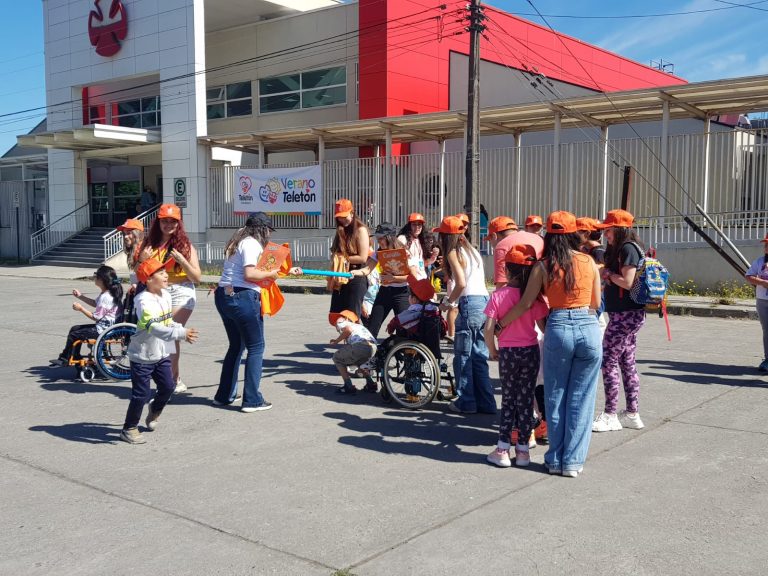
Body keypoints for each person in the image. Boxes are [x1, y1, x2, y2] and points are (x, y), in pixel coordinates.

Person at [498, 211, 602, 477]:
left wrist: (500, 325)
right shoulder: (588, 262)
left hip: (558, 327)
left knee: (555, 396)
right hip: (588, 326)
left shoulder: (543, 266)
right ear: (573, 235)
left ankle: (555, 459)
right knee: (581, 397)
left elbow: (525, 303)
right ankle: (573, 463)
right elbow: (596, 303)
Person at [214, 213, 301, 411]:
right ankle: (252, 400)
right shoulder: (252, 243)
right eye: (268, 231)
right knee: (256, 347)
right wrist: (273, 273)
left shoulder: (237, 240)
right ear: (262, 229)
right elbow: (251, 274)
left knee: (236, 346)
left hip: (224, 295)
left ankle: (224, 395)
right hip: (243, 298)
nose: (269, 235)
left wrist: (282, 271)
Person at [121, 258, 198, 444]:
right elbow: (154, 327)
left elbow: (167, 321)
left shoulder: (165, 295)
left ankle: (155, 409)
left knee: (168, 386)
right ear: (148, 279)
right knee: (141, 394)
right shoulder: (143, 301)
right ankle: (129, 428)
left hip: (161, 353)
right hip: (142, 356)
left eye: (165, 271)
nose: (166, 275)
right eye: (161, 272)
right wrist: (180, 333)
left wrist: (179, 329)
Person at [484, 245, 549, 467]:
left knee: (508, 400)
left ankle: (503, 448)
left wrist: (492, 349)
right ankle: (523, 452)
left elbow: (488, 328)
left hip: (508, 353)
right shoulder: (535, 299)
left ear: (508, 271)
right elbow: (543, 326)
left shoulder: (498, 296)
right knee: (525, 400)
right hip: (530, 351)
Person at [593, 209, 647, 433]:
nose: (606, 233)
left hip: (626, 315)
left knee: (608, 360)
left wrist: (607, 275)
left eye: (609, 229)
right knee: (626, 362)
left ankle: (610, 414)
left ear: (619, 228)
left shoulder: (627, 249)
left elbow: (627, 281)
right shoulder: (627, 248)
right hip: (627, 314)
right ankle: (632, 413)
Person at [138, 204, 201, 393]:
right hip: (160, 291)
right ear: (158, 222)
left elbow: (197, 278)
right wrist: (142, 260)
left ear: (178, 223)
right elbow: (140, 273)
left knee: (169, 333)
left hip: (182, 290)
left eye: (173, 221)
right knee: (164, 336)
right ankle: (173, 379)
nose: (168, 225)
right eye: (164, 221)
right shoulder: (150, 244)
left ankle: (172, 381)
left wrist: (182, 260)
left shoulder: (186, 246)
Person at [436, 215, 496, 415]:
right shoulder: (472, 251)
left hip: (469, 304)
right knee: (479, 356)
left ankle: (467, 402)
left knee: (463, 356)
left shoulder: (454, 252)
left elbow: (460, 282)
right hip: (484, 303)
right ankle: (486, 403)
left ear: (446, 236)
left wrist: (449, 301)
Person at [351, 222, 419, 339]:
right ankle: (369, 353)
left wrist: (394, 278)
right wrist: (353, 273)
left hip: (402, 293)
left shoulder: (404, 252)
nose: (379, 241)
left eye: (381, 238)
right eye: (378, 238)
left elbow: (413, 277)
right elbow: (367, 269)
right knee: (372, 327)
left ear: (390, 237)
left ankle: (402, 354)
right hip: (385, 292)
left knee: (403, 329)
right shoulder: (378, 253)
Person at [50, 265, 123, 366]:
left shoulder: (106, 297)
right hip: (106, 327)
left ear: (102, 280)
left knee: (74, 334)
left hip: (104, 330)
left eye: (96, 276)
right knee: (75, 329)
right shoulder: (107, 293)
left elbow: (95, 317)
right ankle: (71, 356)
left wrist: (81, 309)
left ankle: (66, 358)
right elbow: (95, 303)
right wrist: (80, 296)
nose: (95, 278)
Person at [329, 198, 370, 322]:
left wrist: (343, 259)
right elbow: (335, 252)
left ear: (352, 213)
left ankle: (355, 339)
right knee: (337, 316)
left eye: (344, 216)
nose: (342, 219)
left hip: (356, 276)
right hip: (341, 277)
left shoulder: (360, 230)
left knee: (351, 317)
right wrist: (337, 258)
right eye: (339, 217)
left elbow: (363, 257)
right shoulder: (340, 230)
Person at [329, 310, 377, 395]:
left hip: (360, 345)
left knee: (336, 357)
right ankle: (371, 383)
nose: (336, 323)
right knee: (359, 362)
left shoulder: (343, 322)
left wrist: (336, 341)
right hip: (372, 347)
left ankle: (348, 386)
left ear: (347, 319)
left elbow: (348, 330)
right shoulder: (359, 326)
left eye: (339, 319)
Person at [746, 234, 768, 371]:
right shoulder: (759, 262)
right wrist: (762, 282)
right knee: (767, 331)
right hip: (762, 301)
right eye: (766, 245)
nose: (766, 248)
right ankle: (767, 359)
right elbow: (749, 276)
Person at [397, 212, 439, 280]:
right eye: (414, 225)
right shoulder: (402, 238)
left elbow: (423, 264)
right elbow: (398, 258)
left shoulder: (420, 240)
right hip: (410, 281)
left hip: (422, 279)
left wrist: (434, 256)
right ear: (409, 226)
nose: (417, 227)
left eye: (419, 225)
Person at [117, 218, 144, 283]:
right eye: (124, 234)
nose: (125, 237)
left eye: (129, 233)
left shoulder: (143, 249)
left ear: (137, 234)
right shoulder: (134, 249)